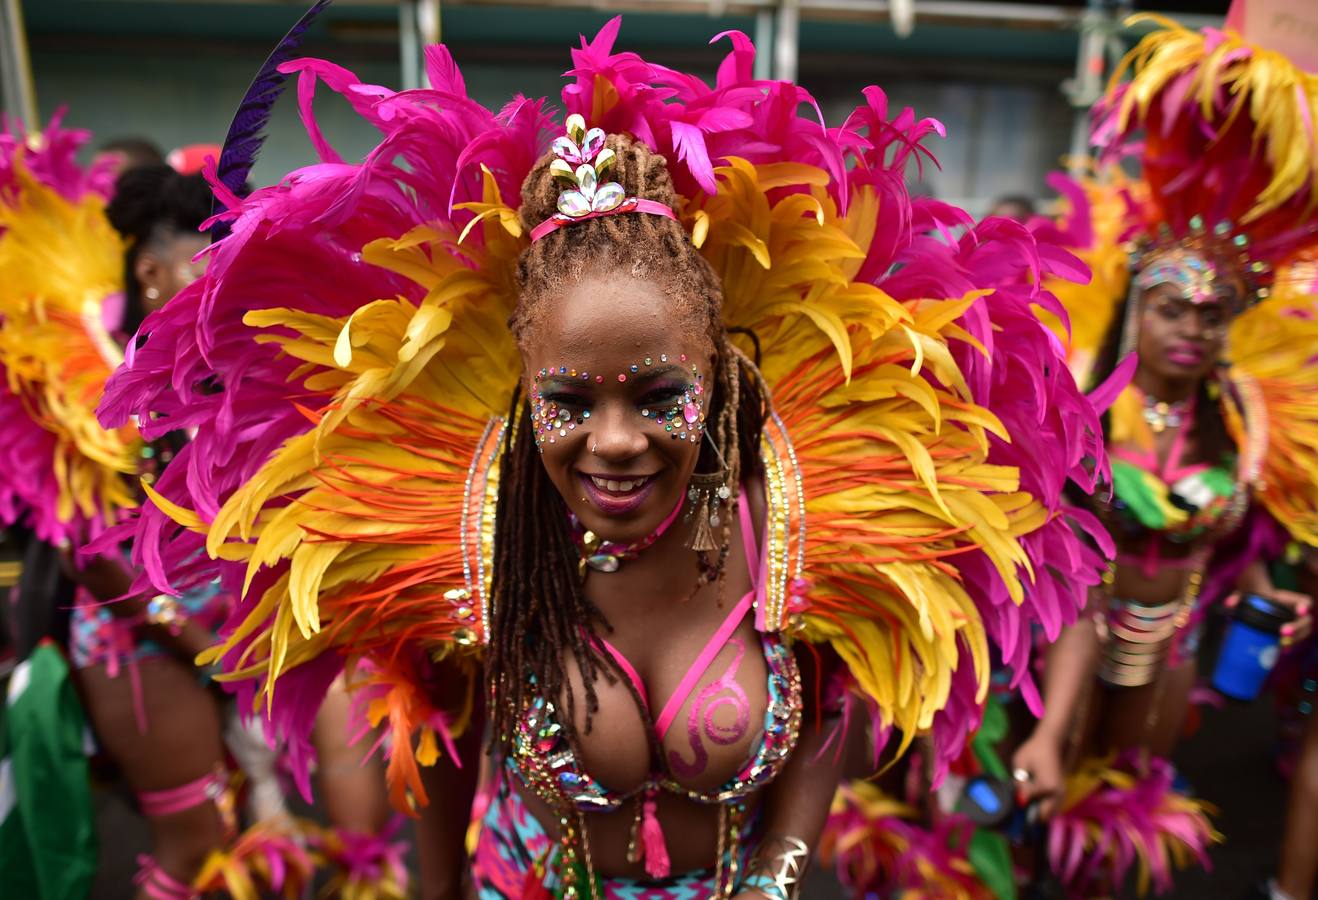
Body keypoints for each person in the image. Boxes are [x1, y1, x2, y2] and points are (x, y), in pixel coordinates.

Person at [99, 18, 1114, 898]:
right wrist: (440, 887)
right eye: (569, 402)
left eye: (661, 395)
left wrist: (778, 874)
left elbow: (828, 705)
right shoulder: (474, 536)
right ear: (522, 390)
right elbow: (444, 736)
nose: (617, 440)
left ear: (717, 380)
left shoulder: (789, 518)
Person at [1010, 17, 1318, 894]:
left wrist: (1267, 598)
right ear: (1134, 309)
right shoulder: (1080, 400)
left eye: (1212, 314)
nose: (1191, 329)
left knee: (1126, 807)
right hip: (1069, 631)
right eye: (1172, 308)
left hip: (1175, 640)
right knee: (1045, 793)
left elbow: (1240, 544)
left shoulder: (1249, 419)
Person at [0, 126, 308, 899]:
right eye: (200, 266)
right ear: (146, 272)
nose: (219, 281)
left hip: (212, 637)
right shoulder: (93, 383)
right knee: (190, 847)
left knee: (229, 837)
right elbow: (93, 555)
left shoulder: (206, 374)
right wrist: (205, 644)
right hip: (139, 644)